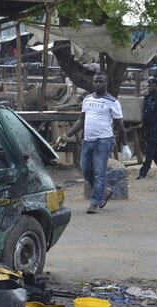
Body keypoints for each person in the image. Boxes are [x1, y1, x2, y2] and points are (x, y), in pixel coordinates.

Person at [57, 71, 131, 214]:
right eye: (95, 81)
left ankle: (95, 203)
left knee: (99, 172)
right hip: (87, 140)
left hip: (103, 141)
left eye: (100, 82)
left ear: (106, 83)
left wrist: (125, 145)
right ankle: (104, 191)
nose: (97, 84)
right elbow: (81, 120)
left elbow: (120, 125)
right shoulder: (87, 99)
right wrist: (66, 135)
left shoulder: (113, 102)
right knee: (85, 170)